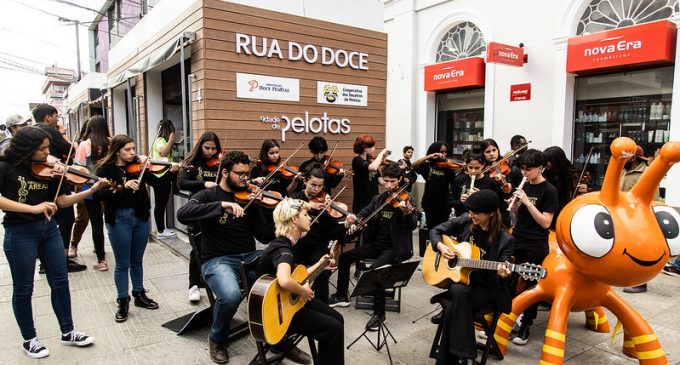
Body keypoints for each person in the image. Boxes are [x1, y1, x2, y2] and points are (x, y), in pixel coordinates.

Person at [178, 151, 314, 364]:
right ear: (225, 172)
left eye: (247, 174)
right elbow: (182, 214)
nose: (245, 178)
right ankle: (217, 338)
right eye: (240, 174)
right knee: (231, 295)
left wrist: (283, 218)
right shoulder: (210, 196)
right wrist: (222, 206)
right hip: (218, 260)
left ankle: (278, 338)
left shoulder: (251, 197)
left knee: (282, 282)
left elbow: (262, 234)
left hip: (250, 256)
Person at [0, 127, 105, 358]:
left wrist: (92, 188)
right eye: (42, 149)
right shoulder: (6, 167)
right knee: (23, 288)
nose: (48, 153)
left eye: (48, 147)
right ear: (27, 149)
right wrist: (33, 208)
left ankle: (68, 332)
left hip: (49, 230)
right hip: (19, 232)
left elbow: (63, 201)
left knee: (60, 281)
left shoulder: (52, 171)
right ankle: (30, 339)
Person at [94, 135, 180, 322]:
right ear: (117, 150)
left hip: (141, 216)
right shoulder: (105, 169)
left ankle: (139, 294)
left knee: (137, 260)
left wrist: (171, 172)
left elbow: (158, 184)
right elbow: (99, 194)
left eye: (133, 148)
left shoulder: (139, 166)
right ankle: (123, 300)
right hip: (119, 218)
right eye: (128, 150)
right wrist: (122, 187)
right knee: (122, 263)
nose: (133, 153)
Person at [328, 162, 417, 331]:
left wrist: (407, 214)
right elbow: (365, 211)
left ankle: (379, 314)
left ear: (399, 180)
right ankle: (341, 295)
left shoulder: (407, 200)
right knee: (345, 258)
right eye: (386, 181)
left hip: (394, 248)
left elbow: (413, 225)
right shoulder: (379, 199)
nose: (389, 185)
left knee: (377, 270)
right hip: (376, 245)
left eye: (392, 181)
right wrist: (357, 220)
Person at [256, 198, 345, 365]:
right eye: (305, 214)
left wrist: (320, 264)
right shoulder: (283, 248)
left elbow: (296, 275)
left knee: (338, 319)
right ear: (294, 219)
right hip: (275, 314)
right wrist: (303, 291)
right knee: (333, 329)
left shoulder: (288, 244)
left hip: (284, 302)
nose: (310, 218)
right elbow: (284, 280)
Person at [429, 190, 514, 365]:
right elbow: (436, 230)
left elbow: (503, 279)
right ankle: (465, 354)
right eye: (470, 211)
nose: (471, 215)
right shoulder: (466, 221)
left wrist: (503, 275)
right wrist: (441, 247)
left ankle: (453, 359)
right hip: (462, 280)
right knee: (459, 291)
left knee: (454, 305)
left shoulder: (505, 239)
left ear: (491, 213)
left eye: (476, 213)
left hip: (486, 289)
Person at [507, 149, 558, 345]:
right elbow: (517, 217)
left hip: (536, 242)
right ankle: (507, 320)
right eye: (522, 169)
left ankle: (526, 325)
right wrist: (514, 205)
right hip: (518, 237)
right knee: (509, 279)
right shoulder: (525, 185)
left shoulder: (549, 191)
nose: (524, 174)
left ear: (541, 168)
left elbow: (546, 222)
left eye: (529, 170)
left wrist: (527, 202)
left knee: (530, 284)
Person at [33, 104, 85, 272]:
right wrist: (62, 133)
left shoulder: (34, 131)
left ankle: (44, 261)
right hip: (55, 177)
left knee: (49, 218)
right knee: (66, 218)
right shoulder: (50, 131)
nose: (57, 119)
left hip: (42, 177)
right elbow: (71, 150)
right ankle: (62, 260)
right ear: (48, 117)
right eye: (56, 116)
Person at [289, 165, 346, 303]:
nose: (317, 189)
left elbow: (333, 231)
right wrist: (308, 205)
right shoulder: (295, 198)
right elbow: (286, 206)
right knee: (288, 266)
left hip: (317, 247)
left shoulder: (325, 202)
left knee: (323, 271)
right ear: (305, 181)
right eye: (313, 185)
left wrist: (346, 224)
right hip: (298, 245)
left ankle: (321, 304)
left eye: (320, 186)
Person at [178, 131, 222, 302]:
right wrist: (205, 183)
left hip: (216, 209)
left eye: (214, 149)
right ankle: (193, 285)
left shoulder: (220, 163)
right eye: (207, 148)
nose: (210, 152)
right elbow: (182, 183)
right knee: (197, 248)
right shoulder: (191, 163)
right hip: (197, 208)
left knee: (215, 248)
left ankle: (214, 284)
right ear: (200, 146)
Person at [621, 145, 660, 294]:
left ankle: (641, 282)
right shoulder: (624, 170)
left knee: (640, 252)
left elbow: (654, 197)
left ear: (634, 157)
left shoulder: (646, 172)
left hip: (639, 217)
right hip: (623, 216)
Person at [73, 116, 110, 271]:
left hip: (90, 187)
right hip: (109, 185)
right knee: (110, 219)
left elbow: (79, 167)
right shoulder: (111, 141)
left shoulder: (84, 144)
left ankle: (101, 260)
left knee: (96, 222)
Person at [411, 141, 456, 229]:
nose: (444, 154)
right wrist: (429, 156)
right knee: (431, 228)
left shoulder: (449, 168)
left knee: (442, 228)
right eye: (441, 152)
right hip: (429, 202)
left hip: (444, 203)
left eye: (446, 152)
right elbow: (413, 165)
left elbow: (454, 183)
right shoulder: (427, 166)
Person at [451, 152, 505, 218]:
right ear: (466, 165)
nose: (473, 171)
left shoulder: (491, 183)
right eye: (470, 167)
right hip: (462, 218)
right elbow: (451, 201)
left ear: (483, 165)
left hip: (482, 220)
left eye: (477, 168)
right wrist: (460, 201)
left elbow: (495, 205)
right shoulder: (459, 180)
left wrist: (480, 198)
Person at [68, 120, 93, 260]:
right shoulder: (83, 144)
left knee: (98, 216)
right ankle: (74, 244)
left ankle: (97, 245)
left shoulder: (108, 142)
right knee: (83, 216)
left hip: (101, 184)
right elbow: (78, 166)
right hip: (85, 183)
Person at [543, 146, 585, 229]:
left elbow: (589, 191)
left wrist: (585, 189)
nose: (545, 163)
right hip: (550, 209)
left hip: (567, 210)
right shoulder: (545, 173)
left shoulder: (574, 174)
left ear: (557, 161)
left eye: (548, 161)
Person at [149, 119, 178, 239]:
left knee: (161, 203)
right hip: (161, 176)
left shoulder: (161, 140)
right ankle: (161, 230)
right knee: (160, 203)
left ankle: (162, 229)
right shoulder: (161, 140)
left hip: (161, 176)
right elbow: (164, 153)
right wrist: (172, 137)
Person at [480, 139, 513, 227]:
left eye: (494, 150)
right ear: (483, 153)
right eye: (488, 151)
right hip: (485, 209)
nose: (491, 154)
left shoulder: (506, 166)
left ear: (498, 150)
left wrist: (502, 183)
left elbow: (508, 191)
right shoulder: (481, 169)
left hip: (502, 208)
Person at [351, 135, 389, 214]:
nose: (374, 149)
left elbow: (382, 182)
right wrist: (381, 154)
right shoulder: (357, 160)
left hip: (374, 203)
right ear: (365, 148)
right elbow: (373, 167)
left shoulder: (371, 162)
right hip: (361, 204)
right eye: (372, 147)